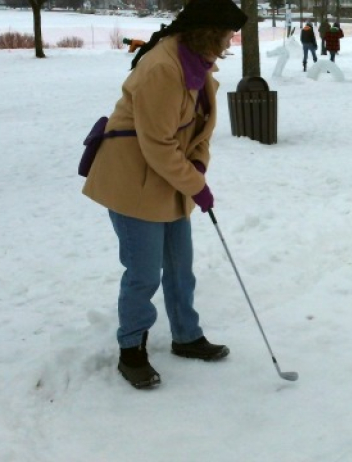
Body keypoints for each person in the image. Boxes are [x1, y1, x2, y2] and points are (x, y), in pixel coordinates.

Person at [81, 0, 247, 390]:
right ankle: (131, 349)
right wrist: (196, 184)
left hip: (167, 178)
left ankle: (187, 337)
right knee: (143, 273)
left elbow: (200, 129)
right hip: (133, 182)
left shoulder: (196, 62)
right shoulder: (162, 67)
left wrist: (199, 167)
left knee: (179, 267)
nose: (229, 42)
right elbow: (157, 144)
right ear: (210, 31)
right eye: (227, 33)